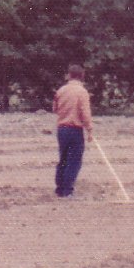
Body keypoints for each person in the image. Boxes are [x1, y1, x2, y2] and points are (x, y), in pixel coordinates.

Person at [53, 64, 93, 198]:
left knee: (63, 158)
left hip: (61, 129)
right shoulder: (82, 92)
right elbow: (85, 113)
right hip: (75, 129)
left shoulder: (61, 90)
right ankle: (68, 191)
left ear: (69, 75)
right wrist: (89, 129)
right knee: (74, 160)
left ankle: (59, 188)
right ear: (82, 77)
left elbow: (55, 109)